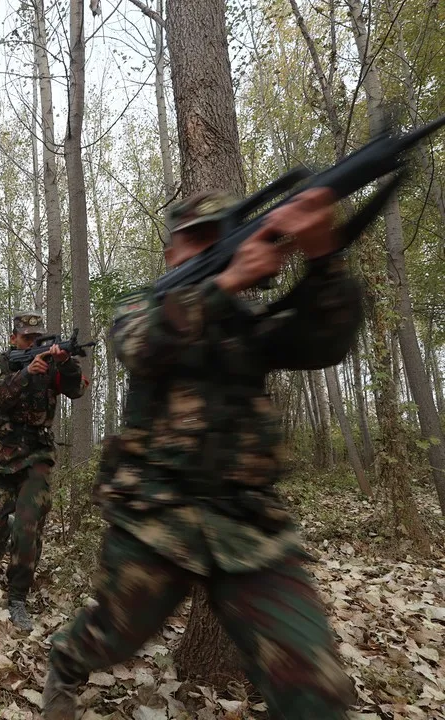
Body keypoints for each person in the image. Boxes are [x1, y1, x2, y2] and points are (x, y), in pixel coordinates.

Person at [41, 188, 361, 719]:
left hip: (248, 525)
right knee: (112, 638)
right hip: (154, 519)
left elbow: (324, 342)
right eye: (199, 241)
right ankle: (67, 661)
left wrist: (323, 254)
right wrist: (226, 282)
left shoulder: (250, 322)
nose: (215, 249)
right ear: (171, 253)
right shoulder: (141, 306)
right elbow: (142, 346)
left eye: (222, 237)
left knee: (317, 688)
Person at [0, 311, 86, 631]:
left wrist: (65, 363)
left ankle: (17, 597)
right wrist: (26, 372)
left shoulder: (53, 364)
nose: (34, 343)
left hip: (36, 457)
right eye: (27, 339)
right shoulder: (3, 362)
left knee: (29, 524)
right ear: (14, 339)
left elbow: (76, 390)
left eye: (38, 338)